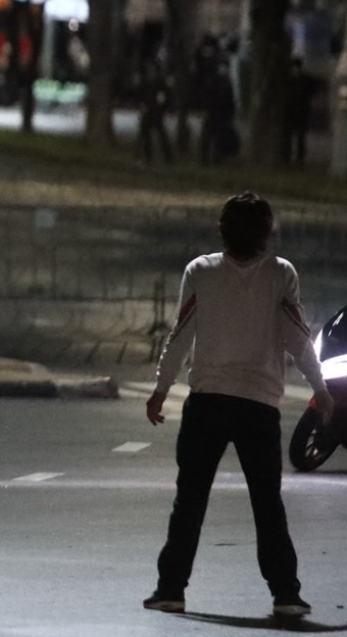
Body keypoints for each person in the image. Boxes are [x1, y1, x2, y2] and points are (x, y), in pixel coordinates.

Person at [144, 192, 331, 617]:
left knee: (190, 501)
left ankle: (171, 589)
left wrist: (161, 389)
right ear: (267, 234)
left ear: (222, 231)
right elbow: (298, 338)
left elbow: (180, 335)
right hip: (259, 406)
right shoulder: (281, 274)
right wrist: (319, 388)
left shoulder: (201, 271)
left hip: (207, 403)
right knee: (268, 505)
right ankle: (286, 594)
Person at [137, 59, 174, 165]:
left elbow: (163, 97)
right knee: (147, 135)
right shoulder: (146, 82)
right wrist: (142, 105)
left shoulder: (159, 82)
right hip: (148, 110)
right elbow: (141, 95)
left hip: (156, 111)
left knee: (161, 134)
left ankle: (168, 157)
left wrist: (161, 107)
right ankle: (148, 157)